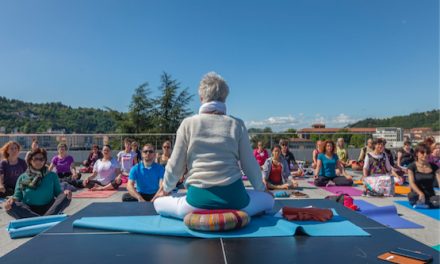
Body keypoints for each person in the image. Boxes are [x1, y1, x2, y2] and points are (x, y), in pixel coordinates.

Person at [152, 72, 274, 219]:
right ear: (225, 97)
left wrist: (165, 189)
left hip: (196, 203)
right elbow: (249, 165)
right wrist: (262, 190)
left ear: (201, 98)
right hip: (235, 201)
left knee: (158, 203)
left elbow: (175, 165)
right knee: (269, 201)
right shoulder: (237, 124)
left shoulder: (188, 124)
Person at [3, 148, 71, 219]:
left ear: (44, 161)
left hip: (49, 208)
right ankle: (46, 219)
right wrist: (11, 201)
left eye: (41, 159)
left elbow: (58, 193)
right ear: (30, 160)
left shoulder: (52, 175)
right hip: (28, 210)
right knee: (10, 206)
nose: (38, 161)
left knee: (66, 196)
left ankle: (37, 220)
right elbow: (17, 196)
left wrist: (65, 193)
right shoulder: (22, 177)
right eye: (35, 159)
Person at [407, 143, 439, 208]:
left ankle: (426, 204)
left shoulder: (434, 167)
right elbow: (411, 183)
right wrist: (420, 193)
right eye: (422, 152)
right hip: (417, 194)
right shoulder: (411, 167)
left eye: (427, 153)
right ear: (417, 154)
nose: (425, 155)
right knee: (412, 196)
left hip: (430, 195)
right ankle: (428, 204)